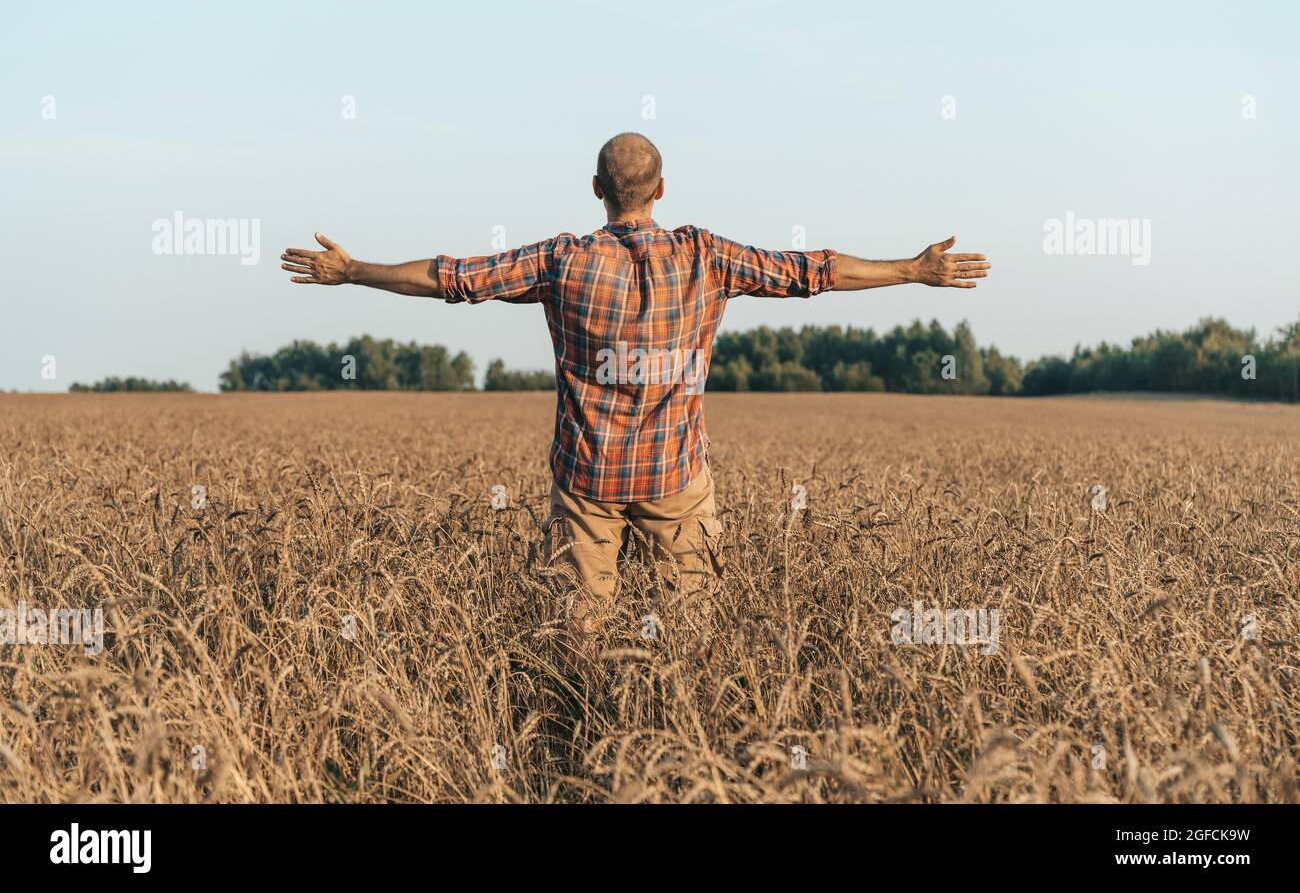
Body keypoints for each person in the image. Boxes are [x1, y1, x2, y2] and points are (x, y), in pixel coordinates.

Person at [281, 132, 991, 647]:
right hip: (677, 478)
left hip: (587, 480)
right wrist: (913, 269)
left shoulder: (561, 259)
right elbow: (813, 270)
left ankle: (583, 736)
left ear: (597, 190)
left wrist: (352, 271)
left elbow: (453, 278)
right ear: (661, 190)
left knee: (578, 635)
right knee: (694, 634)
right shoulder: (706, 255)